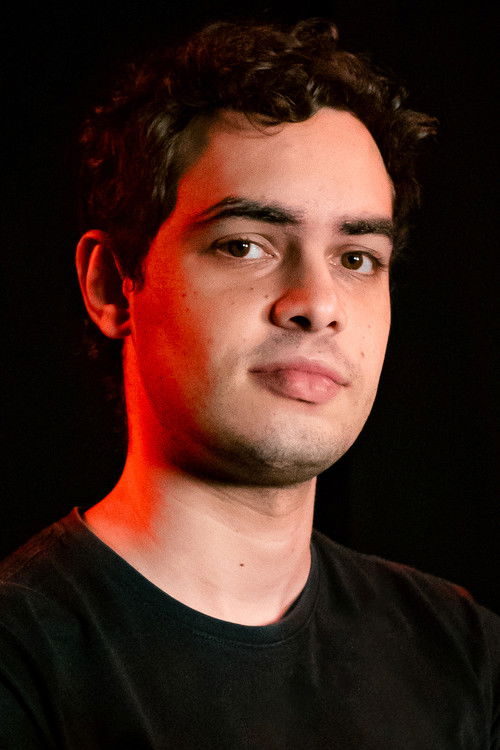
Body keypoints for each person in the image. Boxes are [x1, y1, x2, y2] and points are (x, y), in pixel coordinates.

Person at [0, 18, 498, 749]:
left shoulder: (461, 649)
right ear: (111, 286)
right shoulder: (22, 658)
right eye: (245, 245)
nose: (318, 303)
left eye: (357, 258)